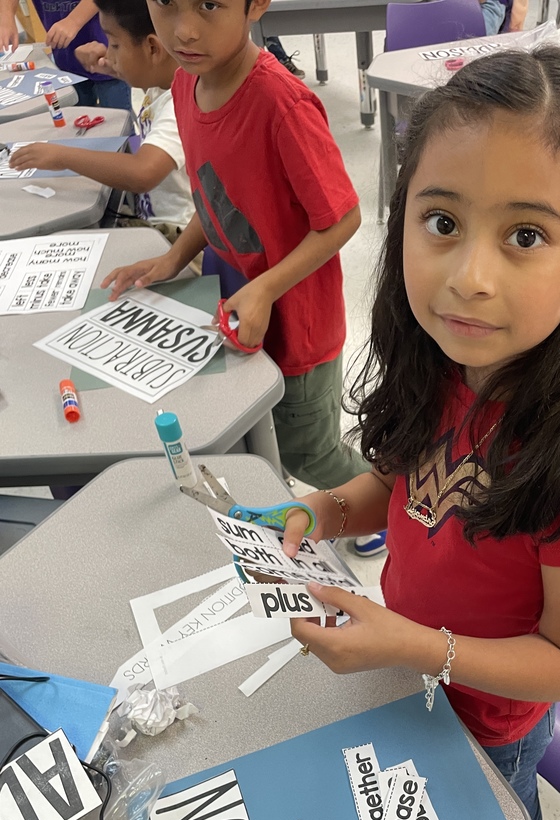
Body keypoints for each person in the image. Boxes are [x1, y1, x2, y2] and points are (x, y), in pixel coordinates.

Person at [280, 48, 560, 820]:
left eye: (525, 235)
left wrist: (412, 646)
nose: (470, 278)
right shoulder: (446, 363)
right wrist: (327, 509)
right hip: (403, 679)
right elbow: (401, 482)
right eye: (442, 223)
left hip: (489, 725)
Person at [102, 0, 368, 498]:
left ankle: (397, 510)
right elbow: (214, 195)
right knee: (259, 433)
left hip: (299, 326)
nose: (184, 31)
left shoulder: (281, 105)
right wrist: (174, 257)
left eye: (208, 5)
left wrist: (266, 287)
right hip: (240, 306)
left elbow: (343, 217)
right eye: (164, 3)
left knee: (310, 451)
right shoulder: (186, 84)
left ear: (257, 4)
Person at [9, 0, 195, 247]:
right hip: (155, 221)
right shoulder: (170, 80)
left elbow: (143, 173)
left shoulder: (180, 104)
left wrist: (60, 156)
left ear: (153, 48)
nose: (109, 53)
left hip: (179, 238)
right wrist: (111, 65)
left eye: (115, 45)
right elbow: (152, 74)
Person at [0, 0, 131, 110]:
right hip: (65, 56)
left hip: (105, 53)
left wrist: (74, 21)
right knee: (75, 119)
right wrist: (6, 16)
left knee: (118, 120)